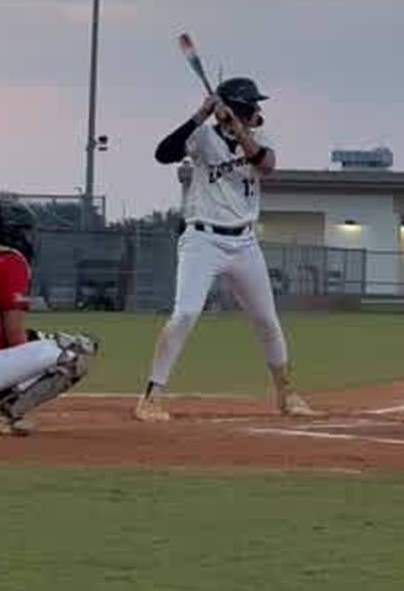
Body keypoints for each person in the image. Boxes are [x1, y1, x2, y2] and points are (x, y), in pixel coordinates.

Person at [133, 77, 319, 423]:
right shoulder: (203, 137)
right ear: (236, 108)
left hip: (244, 242)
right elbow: (163, 153)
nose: (258, 111)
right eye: (251, 106)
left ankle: (286, 394)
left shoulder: (259, 136)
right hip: (203, 239)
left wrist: (238, 127)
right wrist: (200, 115)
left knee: (266, 319)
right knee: (186, 313)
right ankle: (151, 398)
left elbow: (266, 165)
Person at [0, 199, 99, 436]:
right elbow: (14, 336)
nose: (30, 237)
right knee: (74, 358)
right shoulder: (14, 262)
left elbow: (2, 331)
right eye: (25, 231)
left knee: (49, 343)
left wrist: (44, 342)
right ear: (13, 233)